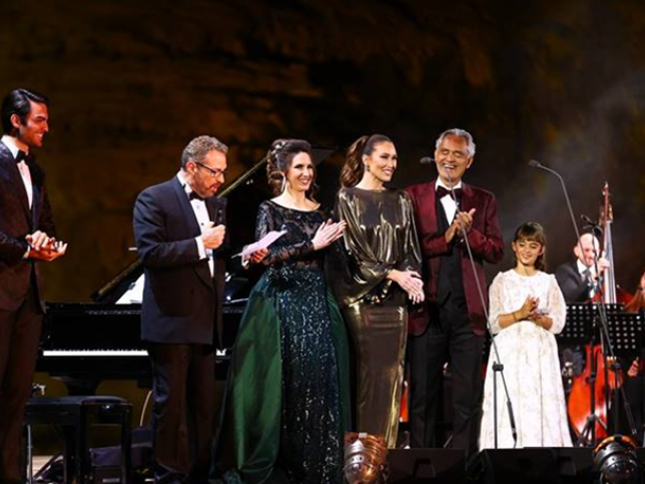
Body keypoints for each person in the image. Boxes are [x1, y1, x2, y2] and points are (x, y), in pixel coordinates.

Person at [216, 139, 350, 484]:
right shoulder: (269, 209)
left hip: (316, 302)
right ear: (285, 172)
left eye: (310, 167)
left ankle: (315, 463)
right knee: (282, 383)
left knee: (317, 383)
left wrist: (337, 244)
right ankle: (280, 464)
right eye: (299, 167)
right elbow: (269, 259)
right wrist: (312, 244)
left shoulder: (322, 213)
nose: (306, 173)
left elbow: (333, 262)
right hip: (280, 301)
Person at [133, 135, 230, 484]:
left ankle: (199, 475)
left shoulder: (217, 203)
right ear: (192, 166)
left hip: (206, 319)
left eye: (223, 171)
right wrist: (199, 244)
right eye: (214, 171)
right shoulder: (153, 198)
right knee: (171, 406)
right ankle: (168, 477)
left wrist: (247, 256)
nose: (221, 179)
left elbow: (218, 259)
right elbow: (151, 253)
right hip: (172, 320)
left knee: (203, 407)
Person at [405, 128, 504, 456]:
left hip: (468, 315)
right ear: (435, 155)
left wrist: (469, 234)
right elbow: (407, 249)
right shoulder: (412, 196)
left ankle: (463, 466)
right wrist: (446, 237)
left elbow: (496, 251)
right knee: (423, 397)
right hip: (426, 311)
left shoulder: (484, 200)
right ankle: (423, 466)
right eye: (444, 152)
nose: (449, 159)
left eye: (458, 154)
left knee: (467, 399)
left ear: (469, 161)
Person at [326, 134, 424, 449]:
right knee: (365, 381)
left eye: (394, 158)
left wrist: (412, 278)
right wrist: (392, 274)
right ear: (366, 160)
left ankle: (384, 457)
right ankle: (358, 459)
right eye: (385, 157)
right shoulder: (347, 198)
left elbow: (411, 249)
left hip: (395, 304)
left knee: (391, 381)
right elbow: (351, 253)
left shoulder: (402, 200)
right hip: (361, 301)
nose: (391, 164)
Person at [0, 88, 67, 483]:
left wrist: (47, 244)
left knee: (15, 396)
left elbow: (46, 224)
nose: (47, 127)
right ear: (16, 120)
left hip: (29, 297)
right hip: (0, 293)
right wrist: (26, 250)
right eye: (40, 120)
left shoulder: (36, 171)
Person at [479, 222, 572, 448]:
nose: (527, 250)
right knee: (510, 401)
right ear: (514, 246)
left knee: (539, 404)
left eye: (533, 245)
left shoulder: (548, 282)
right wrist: (520, 313)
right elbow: (494, 323)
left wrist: (538, 318)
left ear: (541, 249)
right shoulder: (502, 281)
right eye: (522, 244)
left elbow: (558, 322)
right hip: (509, 354)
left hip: (540, 355)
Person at [555, 233, 610, 303]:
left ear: (599, 252)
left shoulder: (604, 277)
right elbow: (572, 299)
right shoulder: (564, 271)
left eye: (594, 251)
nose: (591, 255)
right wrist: (592, 275)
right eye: (586, 250)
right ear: (576, 251)